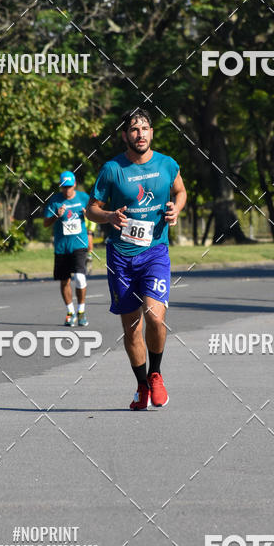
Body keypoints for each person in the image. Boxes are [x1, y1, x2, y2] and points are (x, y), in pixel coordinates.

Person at [87, 107, 187, 410]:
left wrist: (176, 209)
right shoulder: (112, 169)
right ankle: (141, 385)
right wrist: (107, 215)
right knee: (131, 327)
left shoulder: (167, 164)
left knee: (155, 316)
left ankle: (155, 374)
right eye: (133, 129)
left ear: (152, 133)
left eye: (144, 128)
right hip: (120, 256)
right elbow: (91, 208)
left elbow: (181, 191)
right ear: (124, 135)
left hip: (155, 251)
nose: (139, 134)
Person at [44, 171, 91, 327]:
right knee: (65, 280)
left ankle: (81, 311)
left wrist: (88, 213)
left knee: (80, 277)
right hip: (62, 247)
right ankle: (70, 312)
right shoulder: (55, 201)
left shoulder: (84, 198)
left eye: (70, 187)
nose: (67, 190)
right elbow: (45, 223)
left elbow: (95, 214)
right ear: (61, 187)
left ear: (75, 185)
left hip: (79, 244)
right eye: (64, 187)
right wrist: (56, 216)